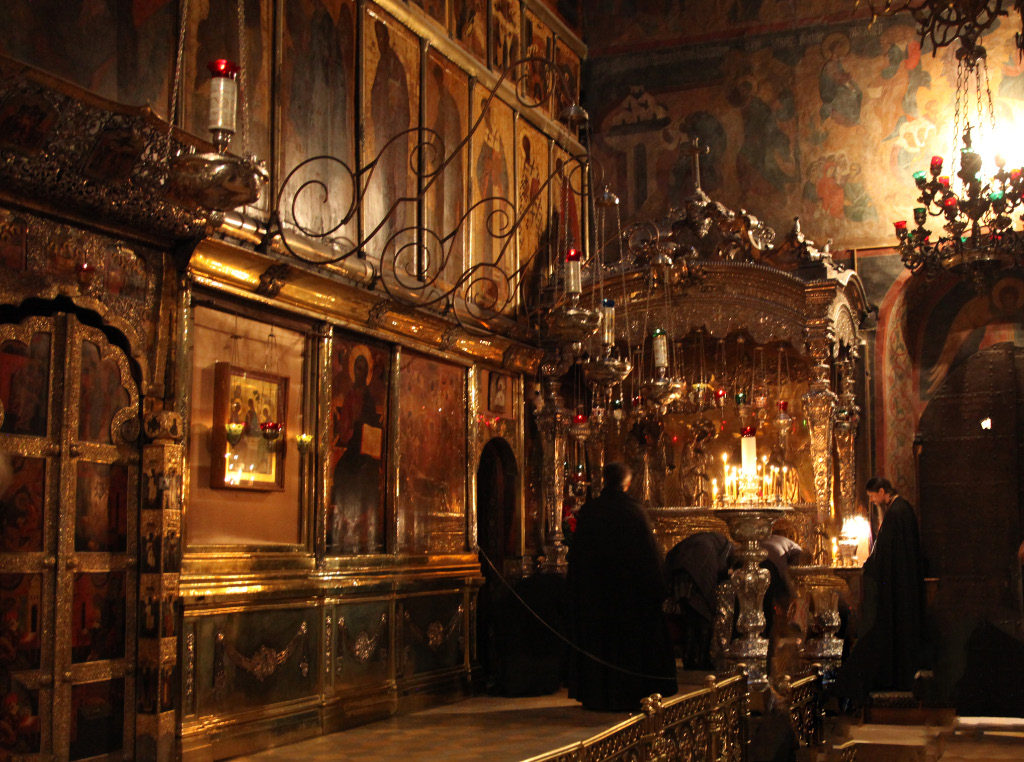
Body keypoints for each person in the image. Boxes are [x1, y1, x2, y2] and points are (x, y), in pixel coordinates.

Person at [566, 462, 677, 711]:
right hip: (631, 600)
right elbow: (649, 555)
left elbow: (578, 558)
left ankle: (599, 695)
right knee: (630, 648)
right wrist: (659, 588)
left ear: (604, 480)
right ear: (627, 483)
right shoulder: (634, 511)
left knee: (602, 646)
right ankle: (631, 694)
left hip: (596, 600)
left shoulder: (590, 511)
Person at [834, 476, 925, 707]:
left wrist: (870, 565)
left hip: (897, 586)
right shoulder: (900, 509)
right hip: (903, 583)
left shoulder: (896, 513)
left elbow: (886, 552)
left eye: (873, 496)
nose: (873, 501)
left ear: (883, 491)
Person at [664, 531, 736, 670]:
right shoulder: (728, 546)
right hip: (698, 576)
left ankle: (689, 658)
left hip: (679, 571)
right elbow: (721, 566)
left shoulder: (707, 538)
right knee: (704, 618)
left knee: (689, 619)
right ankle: (703, 659)